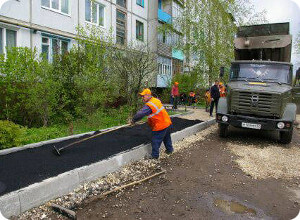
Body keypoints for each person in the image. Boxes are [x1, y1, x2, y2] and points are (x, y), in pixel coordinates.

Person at [131, 88, 174, 159]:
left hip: (161, 125)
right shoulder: (156, 100)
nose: (142, 98)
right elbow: (155, 113)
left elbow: (140, 114)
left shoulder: (149, 105)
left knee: (155, 140)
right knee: (166, 138)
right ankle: (169, 150)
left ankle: (154, 156)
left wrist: (133, 120)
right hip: (167, 122)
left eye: (143, 96)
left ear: (148, 95)